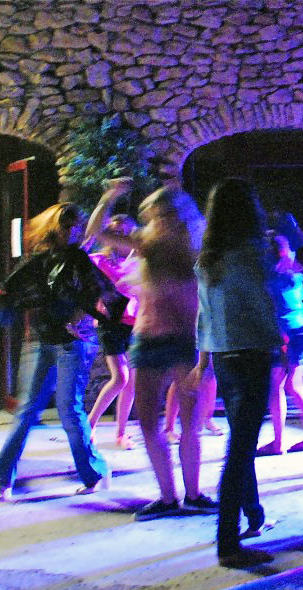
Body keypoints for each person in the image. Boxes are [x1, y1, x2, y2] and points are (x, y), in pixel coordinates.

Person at [86, 180, 218, 520]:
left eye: (166, 214)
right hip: (149, 338)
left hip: (187, 340)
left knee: (190, 425)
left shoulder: (197, 249)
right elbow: (96, 231)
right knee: (147, 423)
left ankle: (193, 493)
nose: (160, 221)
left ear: (181, 216)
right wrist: (110, 196)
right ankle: (168, 496)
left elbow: (210, 301)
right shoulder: (146, 243)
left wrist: (207, 355)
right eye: (154, 215)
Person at [0, 202, 121, 501]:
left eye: (76, 224)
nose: (72, 230)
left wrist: (81, 319)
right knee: (26, 411)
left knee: (69, 410)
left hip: (69, 344)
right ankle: (4, 478)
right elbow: (13, 291)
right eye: (67, 224)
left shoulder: (79, 260)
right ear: (54, 226)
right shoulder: (38, 261)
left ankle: (94, 472)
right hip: (40, 340)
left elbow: (102, 293)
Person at [195, 178, 281, 568]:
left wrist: (203, 359)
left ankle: (253, 513)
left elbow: (203, 315)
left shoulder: (207, 259)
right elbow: (262, 304)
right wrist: (278, 345)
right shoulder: (248, 254)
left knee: (240, 442)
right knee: (240, 450)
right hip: (251, 353)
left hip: (223, 356)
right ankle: (228, 544)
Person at [258, 234, 303, 455]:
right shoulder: (295, 270)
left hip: (282, 332)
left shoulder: (272, 274)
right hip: (300, 329)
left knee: (277, 385)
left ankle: (279, 442)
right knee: (294, 384)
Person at [87, 214, 141, 450]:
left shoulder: (140, 261)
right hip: (109, 323)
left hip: (134, 322)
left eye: (125, 232)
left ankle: (121, 433)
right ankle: (89, 425)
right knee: (120, 378)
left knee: (131, 382)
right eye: (115, 231)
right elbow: (80, 274)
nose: (120, 236)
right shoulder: (99, 260)